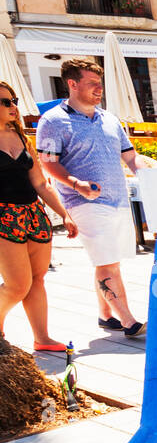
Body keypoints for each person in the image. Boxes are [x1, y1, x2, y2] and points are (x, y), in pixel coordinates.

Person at [35, 58, 151, 339]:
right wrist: (78, 185)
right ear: (72, 84)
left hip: (118, 200)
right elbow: (48, 162)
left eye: (100, 84)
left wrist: (151, 174)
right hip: (82, 202)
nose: (99, 89)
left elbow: (130, 157)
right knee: (107, 262)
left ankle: (105, 315)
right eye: (92, 84)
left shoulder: (109, 119)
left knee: (108, 261)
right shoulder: (53, 120)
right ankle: (128, 321)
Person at [0, 81, 78, 352]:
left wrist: (64, 214)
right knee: (17, 285)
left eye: (14, 101)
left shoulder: (20, 136)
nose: (13, 107)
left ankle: (42, 338)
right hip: (3, 218)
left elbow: (40, 183)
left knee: (38, 278)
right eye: (5, 102)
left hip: (33, 214)